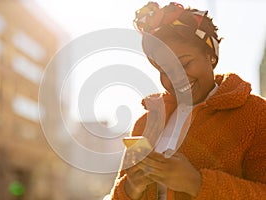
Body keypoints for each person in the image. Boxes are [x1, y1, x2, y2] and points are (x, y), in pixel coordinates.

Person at [109, 1, 266, 200]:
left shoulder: (256, 115)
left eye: (184, 63)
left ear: (210, 55)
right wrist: (131, 189)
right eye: (163, 70)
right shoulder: (145, 124)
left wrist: (196, 182)